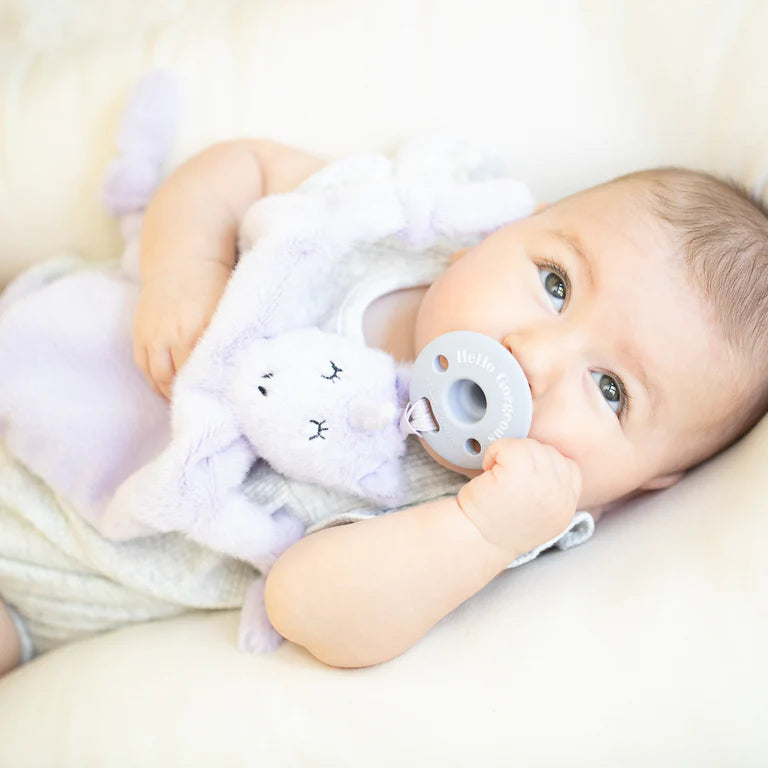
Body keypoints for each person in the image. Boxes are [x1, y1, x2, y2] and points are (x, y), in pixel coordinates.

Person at [1, 138, 766, 674]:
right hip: (40, 332)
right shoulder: (388, 226)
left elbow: (309, 606)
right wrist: (187, 267)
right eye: (556, 284)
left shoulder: (446, 508)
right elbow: (241, 165)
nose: (534, 358)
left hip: (46, 561)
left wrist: (479, 533)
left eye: (611, 391)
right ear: (503, 229)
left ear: (645, 483)